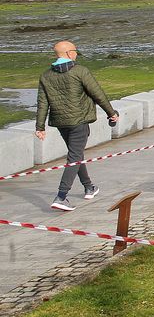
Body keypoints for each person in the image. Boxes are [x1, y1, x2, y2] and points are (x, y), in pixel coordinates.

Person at [34, 40, 118, 211]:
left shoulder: (46, 75)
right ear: (68, 53)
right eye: (75, 51)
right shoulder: (80, 71)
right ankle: (61, 196)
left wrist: (40, 127)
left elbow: (42, 103)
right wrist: (111, 113)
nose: (77, 54)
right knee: (74, 157)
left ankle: (89, 187)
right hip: (79, 121)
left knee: (76, 154)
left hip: (61, 122)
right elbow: (98, 94)